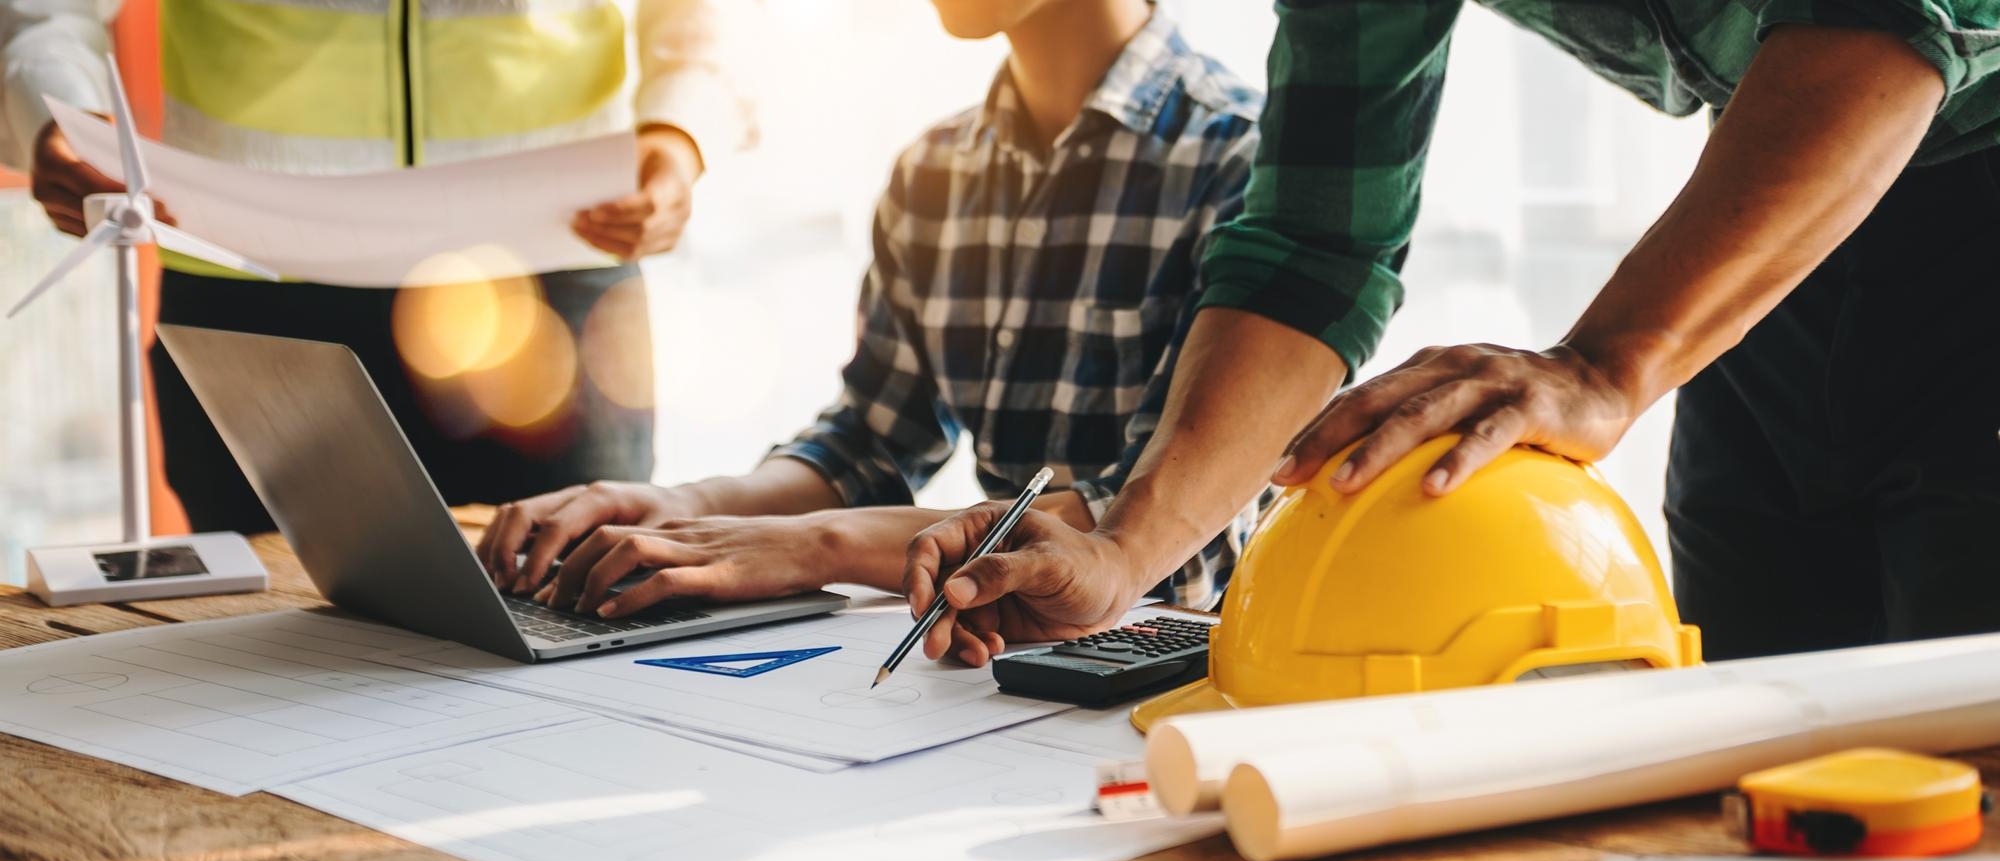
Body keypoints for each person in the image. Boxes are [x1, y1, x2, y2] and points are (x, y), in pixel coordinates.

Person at [904, 2, 2000, 665]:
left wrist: (1600, 365)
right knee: (1761, 778)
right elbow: (1311, 239)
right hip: (1775, 230)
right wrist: (1124, 549)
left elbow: (1892, 17)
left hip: (1944, 171)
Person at [476, 0, 1262, 659]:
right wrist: (680, 505)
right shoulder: (936, 170)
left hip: (1182, 675)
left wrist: (823, 544)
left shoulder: (1242, 161)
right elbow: (871, 445)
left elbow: (1155, 540)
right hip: (995, 666)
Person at [2, 0, 754, 532]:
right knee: (251, 670)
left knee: (574, 626)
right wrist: (54, 113)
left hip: (553, 270)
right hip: (256, 270)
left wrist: (684, 125)